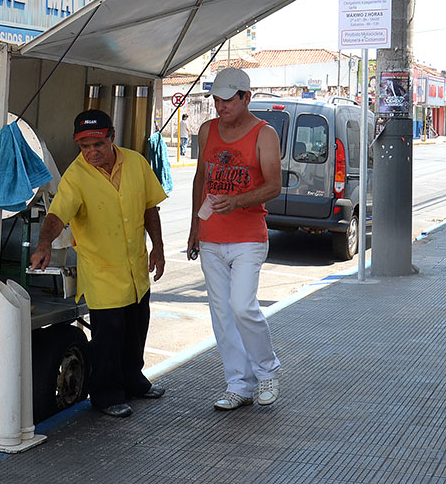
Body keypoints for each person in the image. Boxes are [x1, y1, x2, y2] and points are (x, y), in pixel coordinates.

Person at [31, 109, 167, 418]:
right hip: (103, 273)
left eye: (98, 145)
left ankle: (134, 380)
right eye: (85, 147)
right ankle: (106, 395)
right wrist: (44, 244)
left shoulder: (136, 163)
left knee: (136, 330)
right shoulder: (76, 176)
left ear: (112, 137)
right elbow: (57, 215)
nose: (92, 153)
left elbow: (150, 208)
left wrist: (158, 248)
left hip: (136, 270)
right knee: (109, 338)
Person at [186, 67, 282, 411]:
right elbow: (201, 178)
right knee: (221, 312)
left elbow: (274, 186)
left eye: (228, 100)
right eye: (216, 99)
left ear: (246, 97)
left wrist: (238, 201)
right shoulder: (206, 130)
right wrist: (194, 229)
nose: (220, 106)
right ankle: (238, 383)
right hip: (211, 236)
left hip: (248, 237)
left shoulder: (264, 134)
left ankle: (267, 370)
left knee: (242, 306)